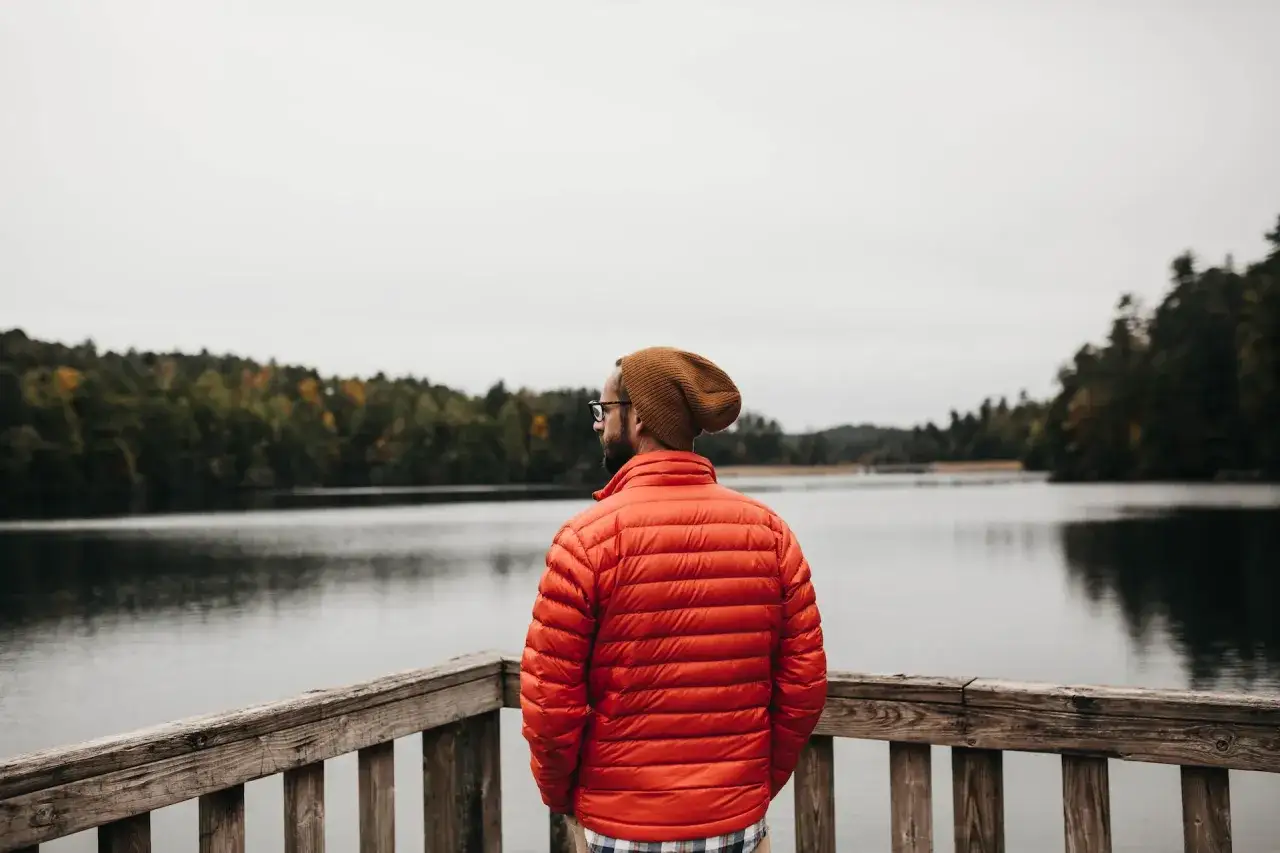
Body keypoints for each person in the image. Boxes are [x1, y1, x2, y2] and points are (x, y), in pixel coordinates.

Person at [519, 346, 827, 853]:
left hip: (619, 830)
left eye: (604, 411)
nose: (597, 425)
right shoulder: (770, 535)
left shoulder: (584, 541)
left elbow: (550, 709)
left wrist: (566, 799)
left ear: (639, 417)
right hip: (737, 827)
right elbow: (803, 689)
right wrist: (752, 787)